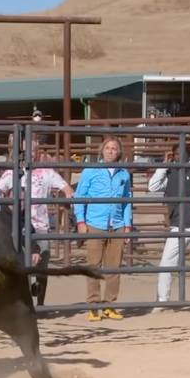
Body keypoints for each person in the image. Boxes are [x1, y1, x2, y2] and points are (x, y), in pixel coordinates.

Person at [0, 137, 74, 306]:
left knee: (41, 266)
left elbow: (66, 188)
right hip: (17, 227)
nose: (29, 154)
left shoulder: (47, 173)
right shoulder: (12, 172)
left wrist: (67, 196)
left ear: (38, 152)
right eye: (25, 150)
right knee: (20, 265)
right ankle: (24, 303)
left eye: (32, 150)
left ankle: (40, 303)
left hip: (40, 227)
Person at [148, 142, 190, 311]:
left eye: (182, 153)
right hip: (178, 226)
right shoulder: (171, 172)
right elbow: (152, 186)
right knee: (166, 263)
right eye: (175, 154)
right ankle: (163, 300)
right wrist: (164, 164)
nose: (178, 156)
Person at [74, 137, 132, 322]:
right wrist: (81, 222)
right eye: (107, 148)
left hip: (116, 225)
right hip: (94, 224)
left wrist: (127, 225)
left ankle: (110, 305)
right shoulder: (90, 171)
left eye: (114, 148)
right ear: (102, 151)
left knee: (114, 268)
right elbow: (79, 196)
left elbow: (127, 202)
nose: (110, 151)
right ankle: (94, 306)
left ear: (119, 152)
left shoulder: (124, 174)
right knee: (94, 266)